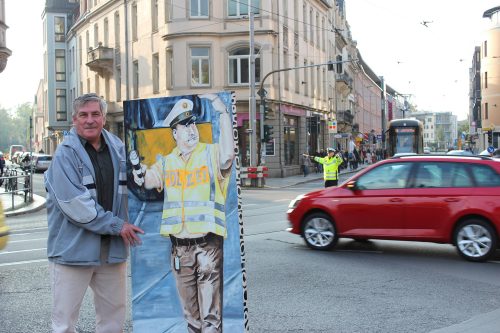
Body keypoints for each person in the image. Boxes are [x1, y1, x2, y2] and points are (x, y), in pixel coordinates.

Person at [131, 95, 235, 333]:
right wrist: (138, 172)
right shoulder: (167, 162)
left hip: (208, 246)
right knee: (191, 316)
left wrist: (222, 112)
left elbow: (228, 155)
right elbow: (148, 180)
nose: (191, 129)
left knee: (210, 318)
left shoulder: (211, 154)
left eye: (193, 124)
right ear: (174, 133)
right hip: (179, 249)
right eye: (185, 125)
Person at [45, 93, 144, 333]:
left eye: (95, 114)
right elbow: (75, 205)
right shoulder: (64, 155)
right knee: (65, 324)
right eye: (84, 115)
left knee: (113, 320)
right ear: (74, 119)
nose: (90, 120)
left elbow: (135, 190)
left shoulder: (119, 148)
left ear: (103, 118)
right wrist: (117, 225)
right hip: (73, 251)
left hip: (111, 251)